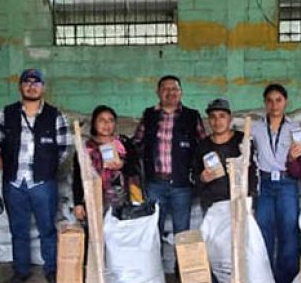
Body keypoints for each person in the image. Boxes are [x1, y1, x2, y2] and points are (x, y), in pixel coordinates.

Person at [0, 70, 72, 283]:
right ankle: (21, 270)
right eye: (26, 82)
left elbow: (65, 147)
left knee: (47, 229)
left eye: (36, 82)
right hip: (14, 182)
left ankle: (51, 269)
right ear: (20, 86)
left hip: (43, 183)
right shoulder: (6, 113)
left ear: (43, 87)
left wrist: (47, 167)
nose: (31, 86)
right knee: (18, 230)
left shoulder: (55, 115)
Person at [132, 75, 207, 239]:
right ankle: (155, 257)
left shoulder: (191, 116)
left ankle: (180, 258)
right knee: (153, 231)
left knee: (182, 233)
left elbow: (203, 147)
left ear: (181, 92)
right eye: (166, 89)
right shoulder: (149, 116)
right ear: (158, 92)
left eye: (174, 89)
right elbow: (136, 143)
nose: (170, 92)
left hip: (182, 184)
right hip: (154, 184)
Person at [250, 83, 301, 283]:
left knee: (289, 231)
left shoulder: (295, 128)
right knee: (264, 231)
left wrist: (294, 158)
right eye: (269, 101)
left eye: (278, 100)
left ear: (285, 102)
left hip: (287, 182)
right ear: (264, 103)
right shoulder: (255, 128)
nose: (274, 105)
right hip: (264, 184)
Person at [72, 105, 141, 220]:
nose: (106, 124)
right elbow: (78, 178)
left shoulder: (123, 143)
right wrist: (78, 203)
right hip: (95, 201)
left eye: (110, 120)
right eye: (101, 120)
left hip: (123, 202)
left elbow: (135, 170)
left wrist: (122, 165)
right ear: (94, 123)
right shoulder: (85, 149)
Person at [193, 98, 257, 211]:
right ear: (208, 120)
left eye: (222, 116)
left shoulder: (243, 141)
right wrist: (202, 178)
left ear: (230, 119)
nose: (217, 121)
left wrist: (251, 199)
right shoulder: (202, 146)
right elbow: (195, 175)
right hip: (212, 205)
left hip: (239, 202)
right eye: (213, 117)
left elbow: (253, 171)